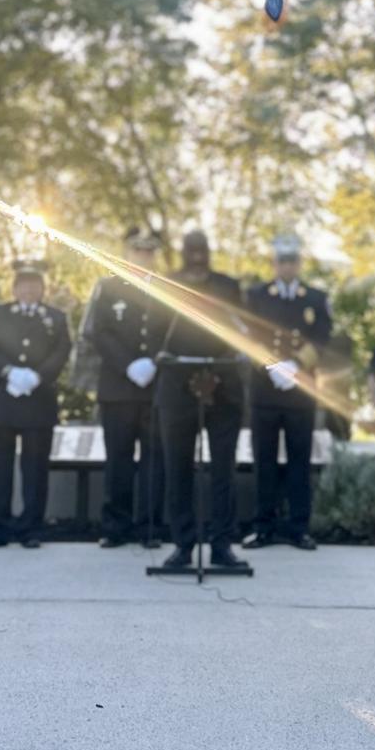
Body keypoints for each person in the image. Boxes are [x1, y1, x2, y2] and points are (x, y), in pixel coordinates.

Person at [154, 229, 248, 574]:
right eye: (191, 251)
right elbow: (157, 333)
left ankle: (222, 546)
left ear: (209, 253)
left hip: (223, 387)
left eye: (202, 251)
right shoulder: (167, 284)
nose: (197, 258)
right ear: (183, 252)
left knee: (223, 470)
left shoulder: (228, 287)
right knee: (178, 469)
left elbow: (240, 333)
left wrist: (218, 372)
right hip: (178, 389)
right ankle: (182, 545)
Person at [243, 233, 333, 551]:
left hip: (300, 390)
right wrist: (272, 366)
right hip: (265, 390)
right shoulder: (255, 295)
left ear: (299, 263)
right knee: (264, 461)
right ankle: (263, 526)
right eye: (282, 261)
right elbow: (249, 336)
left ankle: (298, 527)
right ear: (274, 263)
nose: (287, 266)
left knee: (299, 462)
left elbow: (322, 338)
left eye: (292, 260)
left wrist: (295, 366)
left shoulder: (315, 298)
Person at [80, 226, 166, 548]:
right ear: (126, 253)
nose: (143, 256)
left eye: (148, 251)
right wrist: (128, 363)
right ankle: (116, 526)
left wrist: (155, 361)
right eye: (137, 250)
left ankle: (150, 527)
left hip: (156, 388)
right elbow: (98, 332)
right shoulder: (108, 287)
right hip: (118, 387)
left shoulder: (166, 290)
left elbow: (174, 331)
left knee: (154, 460)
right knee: (118, 459)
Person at [0, 259, 72, 549]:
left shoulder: (55, 317)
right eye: (24, 284)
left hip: (37, 401)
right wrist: (8, 372)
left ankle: (31, 528)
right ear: (15, 288)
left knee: (35, 469)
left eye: (35, 284)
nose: (29, 289)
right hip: (1, 402)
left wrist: (38, 376)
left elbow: (62, 350)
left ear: (43, 289)